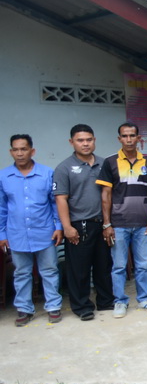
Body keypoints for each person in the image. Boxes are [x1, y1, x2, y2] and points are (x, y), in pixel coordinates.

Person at [97, 122, 147, 319]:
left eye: (132, 135)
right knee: (119, 266)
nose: (129, 139)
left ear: (138, 138)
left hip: (143, 223)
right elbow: (106, 194)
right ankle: (120, 301)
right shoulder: (110, 162)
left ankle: (145, 299)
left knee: (143, 265)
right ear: (119, 139)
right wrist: (107, 224)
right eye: (124, 136)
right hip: (118, 224)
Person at [0, 134, 63, 327]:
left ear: (32, 151)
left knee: (49, 270)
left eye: (24, 149)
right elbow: (2, 208)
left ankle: (53, 306)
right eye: (16, 150)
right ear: (11, 152)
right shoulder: (4, 176)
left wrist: (58, 227)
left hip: (44, 232)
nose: (20, 153)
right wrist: (2, 234)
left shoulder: (47, 173)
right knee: (21, 273)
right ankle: (24, 309)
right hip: (17, 233)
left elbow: (55, 204)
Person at [54, 124, 113, 321]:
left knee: (103, 265)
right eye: (80, 140)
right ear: (72, 142)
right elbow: (61, 199)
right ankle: (82, 306)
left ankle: (106, 301)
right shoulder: (64, 168)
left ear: (94, 140)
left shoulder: (104, 163)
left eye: (89, 139)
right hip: (79, 226)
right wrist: (67, 227)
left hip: (102, 223)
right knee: (79, 269)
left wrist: (108, 223)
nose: (85, 144)